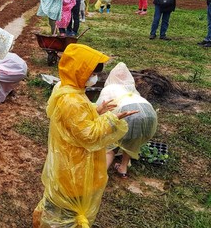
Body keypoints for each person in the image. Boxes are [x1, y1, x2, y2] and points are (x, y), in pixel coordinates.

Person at [32, 44, 136, 228]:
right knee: (68, 203)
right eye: (90, 74)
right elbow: (88, 135)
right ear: (78, 71)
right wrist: (111, 120)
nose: (93, 78)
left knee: (59, 201)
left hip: (68, 156)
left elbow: (74, 123)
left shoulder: (66, 88)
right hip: (75, 162)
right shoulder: (72, 100)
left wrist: (97, 110)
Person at [97, 62, 158, 178]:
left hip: (128, 111)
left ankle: (100, 176)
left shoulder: (109, 88)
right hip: (148, 111)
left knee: (110, 144)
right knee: (132, 140)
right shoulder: (130, 87)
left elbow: (101, 109)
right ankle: (123, 167)